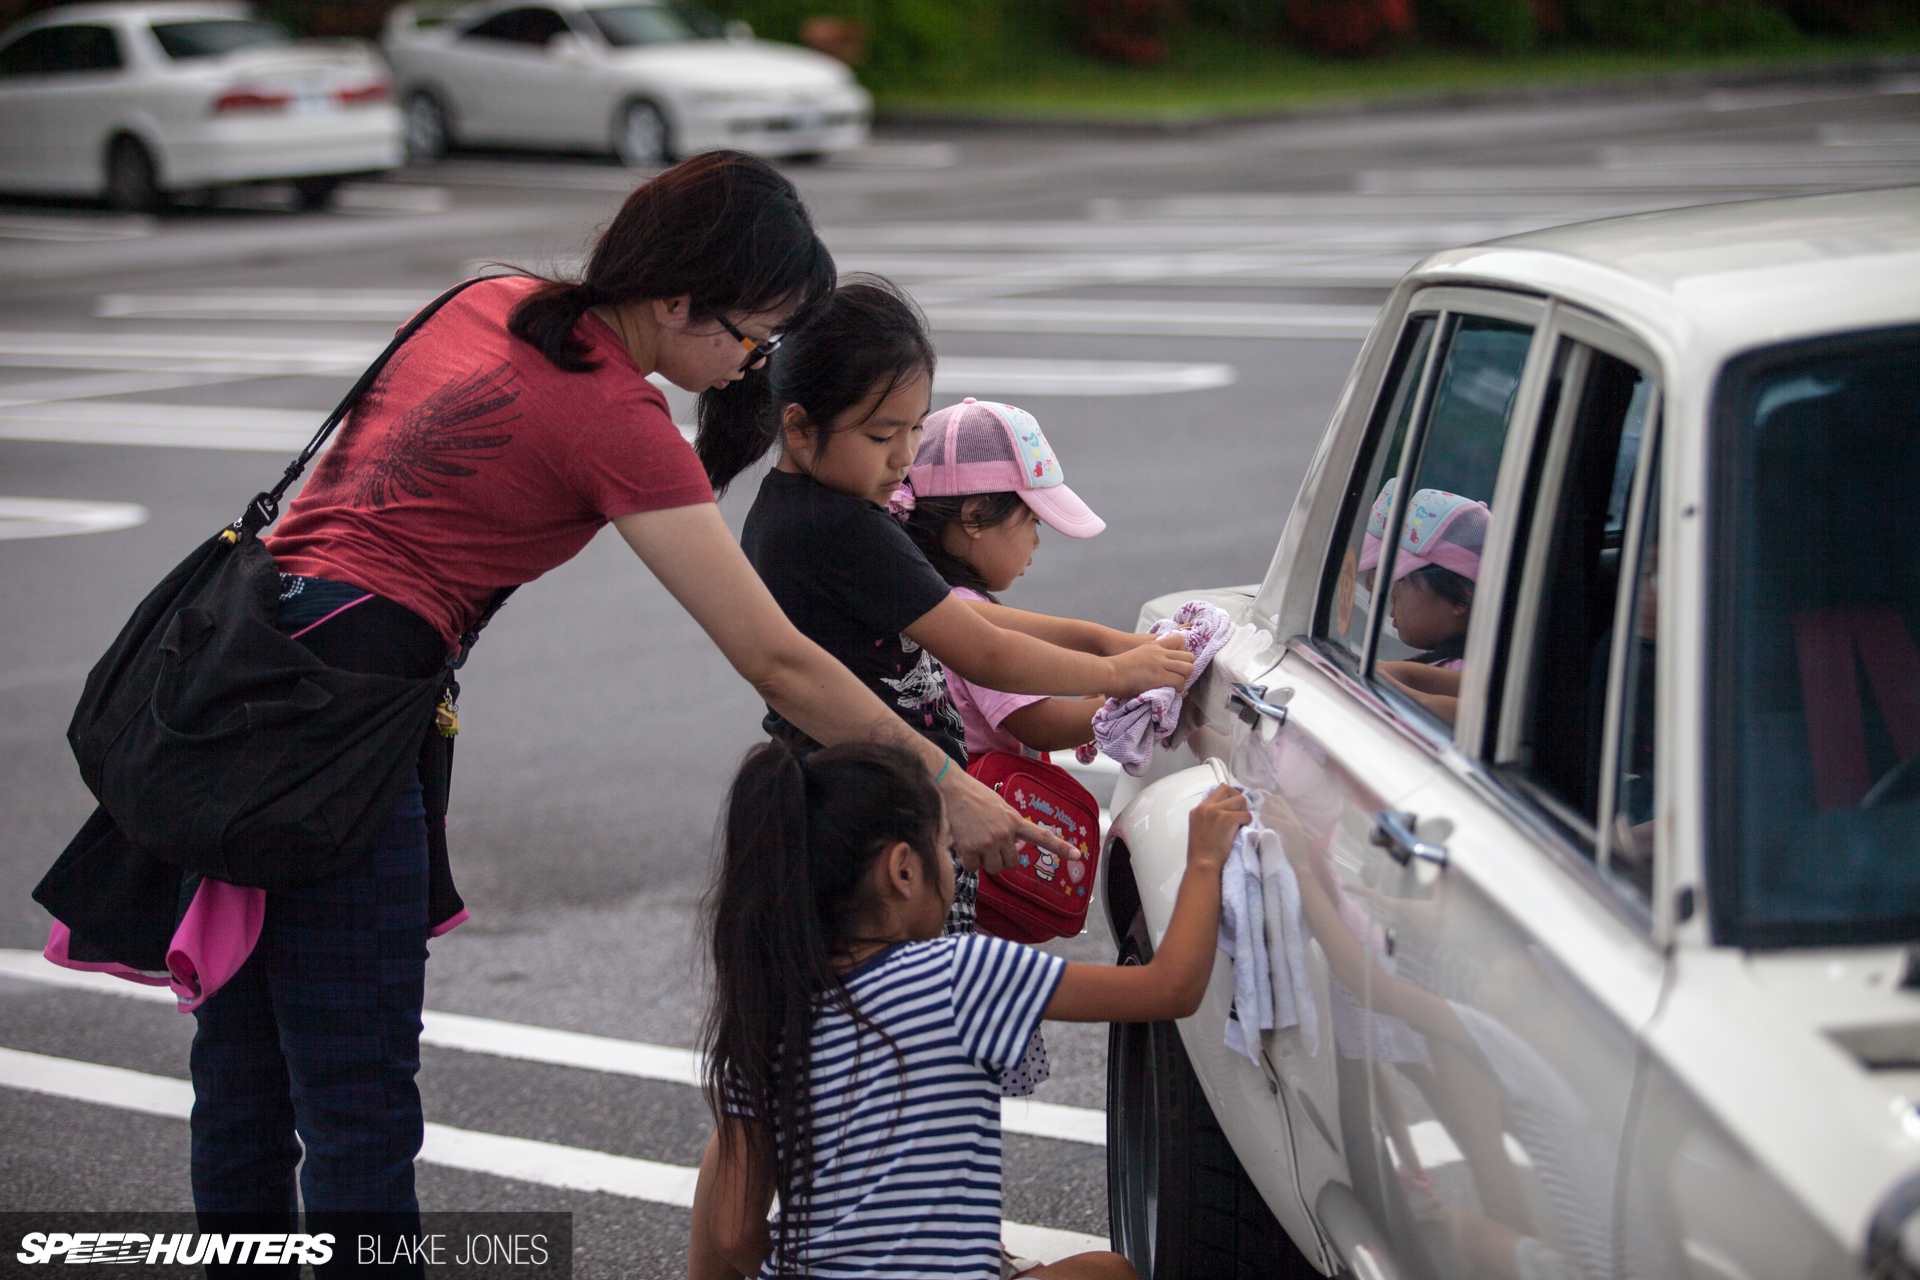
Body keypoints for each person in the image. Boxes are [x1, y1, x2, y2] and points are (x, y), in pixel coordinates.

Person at [183, 152, 1073, 1267]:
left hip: (237, 680)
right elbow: (778, 659)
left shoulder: (487, 296)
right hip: (341, 728)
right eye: (750, 335)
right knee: (358, 1088)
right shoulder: (615, 420)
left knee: (246, 1066)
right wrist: (944, 784)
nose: (754, 360)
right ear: (673, 300)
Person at [687, 739, 1250, 1280]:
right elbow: (1170, 989)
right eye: (945, 846)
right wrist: (1201, 857)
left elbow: (734, 1231)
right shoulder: (959, 973)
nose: (956, 866)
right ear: (903, 870)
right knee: (1111, 1272)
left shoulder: (767, 1018)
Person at [740, 277, 1193, 935]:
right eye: (880, 435)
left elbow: (971, 615)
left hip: (848, 796)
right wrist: (1121, 677)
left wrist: (1107, 644)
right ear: (801, 427)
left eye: (915, 429)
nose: (904, 458)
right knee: (930, 1006)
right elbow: (984, 651)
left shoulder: (807, 514)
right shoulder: (838, 527)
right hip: (874, 818)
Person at [897, 397, 1125, 761]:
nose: (1036, 541)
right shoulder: (963, 612)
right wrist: (1127, 702)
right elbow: (1039, 724)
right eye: (1033, 521)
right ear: (975, 517)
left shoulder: (915, 592)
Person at [1359, 481, 1488, 726]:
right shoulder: (1467, 673)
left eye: (1400, 580)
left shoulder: (1457, 674)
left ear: (1460, 595)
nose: (1387, 594)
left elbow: (1376, 675)